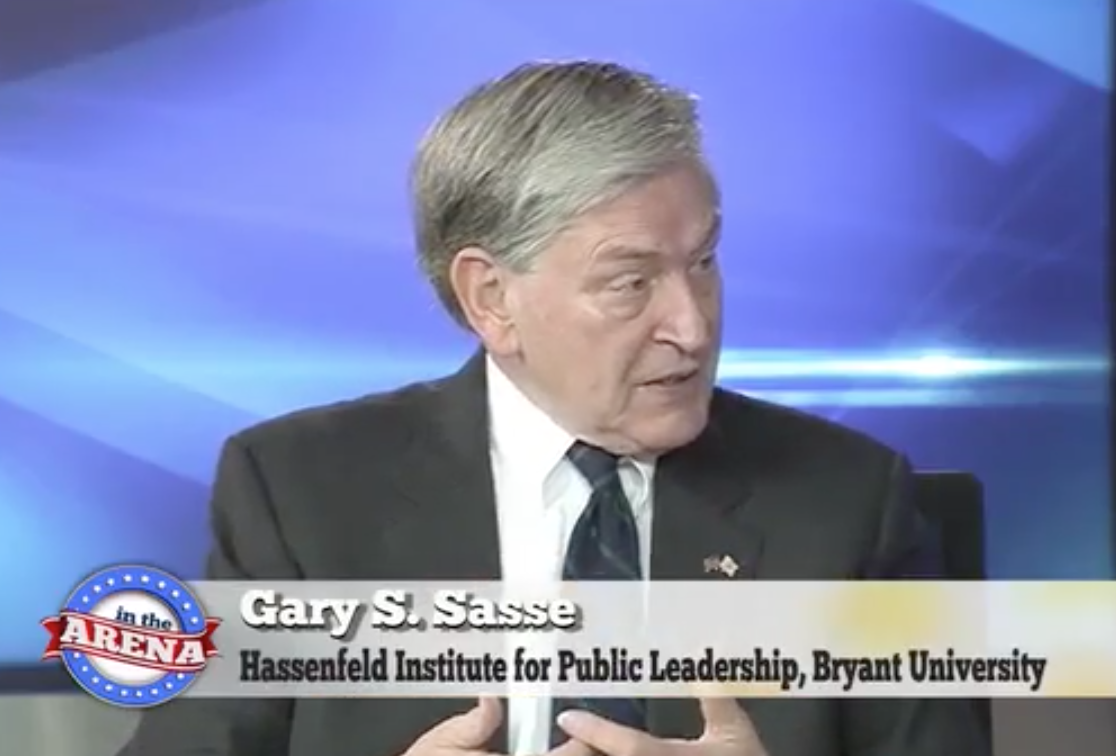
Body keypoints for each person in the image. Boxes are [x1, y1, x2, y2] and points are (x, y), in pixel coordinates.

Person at [118, 60, 990, 756]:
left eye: (703, 263)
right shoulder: (299, 495)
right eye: (630, 282)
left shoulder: (849, 503)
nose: (691, 327)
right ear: (491, 298)